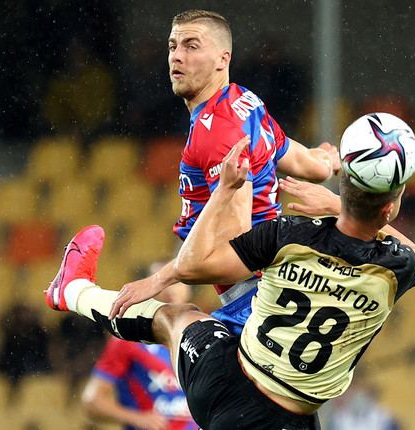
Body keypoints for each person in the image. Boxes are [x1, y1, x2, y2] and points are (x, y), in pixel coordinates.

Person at [44, 128, 415, 429]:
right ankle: (72, 289)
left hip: (228, 383)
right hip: (291, 417)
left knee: (176, 318)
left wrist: (224, 191)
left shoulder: (288, 234)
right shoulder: (397, 269)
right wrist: (341, 208)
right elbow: (413, 250)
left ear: (344, 186)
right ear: (389, 209)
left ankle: (74, 290)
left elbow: (196, 264)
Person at [100, 9, 339, 337]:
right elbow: (300, 161)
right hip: (273, 292)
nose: (177, 57)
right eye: (173, 47)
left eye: (192, 46)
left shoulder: (217, 133)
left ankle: (73, 293)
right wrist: (326, 162)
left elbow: (237, 248)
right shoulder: (244, 100)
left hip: (255, 304)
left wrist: (161, 278)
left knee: (172, 324)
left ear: (222, 59)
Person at [81, 266, 198, 430]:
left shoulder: (200, 338)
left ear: (189, 288)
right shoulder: (128, 340)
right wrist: (136, 418)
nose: (169, 289)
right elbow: (92, 400)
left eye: (176, 282)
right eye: (160, 282)